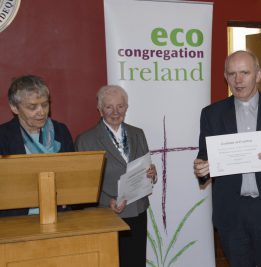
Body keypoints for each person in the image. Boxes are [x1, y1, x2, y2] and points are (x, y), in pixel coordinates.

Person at [193, 50, 261, 267]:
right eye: (232, 74)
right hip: (232, 211)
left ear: (258, 75)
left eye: (244, 73)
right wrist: (202, 169)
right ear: (226, 76)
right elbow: (205, 155)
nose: (238, 80)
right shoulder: (211, 114)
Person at [75, 85, 157, 267]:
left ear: (127, 108)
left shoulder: (138, 133)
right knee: (109, 262)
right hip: (106, 213)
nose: (115, 112)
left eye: (120, 106)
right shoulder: (86, 140)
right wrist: (107, 202)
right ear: (99, 108)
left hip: (137, 210)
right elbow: (84, 185)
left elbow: (146, 167)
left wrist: (152, 173)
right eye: (109, 107)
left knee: (135, 261)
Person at [0, 75, 74, 217]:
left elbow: (72, 173)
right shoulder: (3, 136)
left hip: (58, 215)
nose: (41, 111)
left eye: (45, 104)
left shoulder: (60, 131)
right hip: (16, 218)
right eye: (32, 107)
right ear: (14, 107)